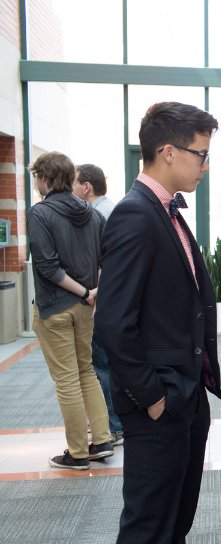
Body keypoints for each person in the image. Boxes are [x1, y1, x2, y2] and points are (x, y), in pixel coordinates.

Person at [95, 101, 221, 544]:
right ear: (167, 152)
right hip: (160, 402)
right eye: (200, 155)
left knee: (175, 514)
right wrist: (152, 395)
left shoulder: (166, 212)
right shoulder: (134, 215)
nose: (205, 166)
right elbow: (112, 321)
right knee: (147, 526)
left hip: (185, 396)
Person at [27, 151, 114, 470]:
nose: (36, 181)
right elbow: (109, 260)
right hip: (85, 309)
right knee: (86, 371)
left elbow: (48, 267)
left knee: (66, 379)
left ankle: (77, 453)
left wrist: (82, 291)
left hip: (55, 308)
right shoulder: (92, 214)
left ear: (46, 178)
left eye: (37, 176)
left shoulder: (40, 214)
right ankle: (102, 439)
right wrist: (93, 293)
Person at [73, 164, 123, 446]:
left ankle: (113, 427)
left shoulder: (97, 215)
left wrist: (95, 294)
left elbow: (107, 264)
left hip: (100, 302)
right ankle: (114, 424)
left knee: (100, 365)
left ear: (86, 187)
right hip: (107, 300)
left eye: (74, 185)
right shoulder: (108, 210)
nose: (72, 191)